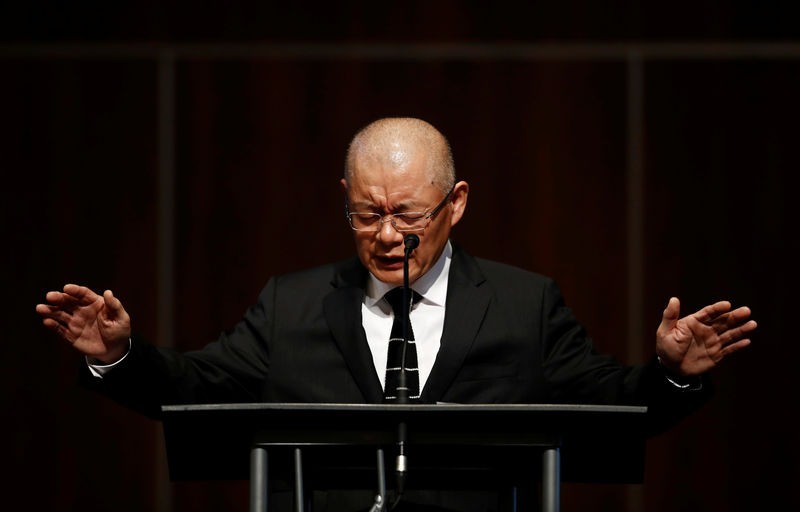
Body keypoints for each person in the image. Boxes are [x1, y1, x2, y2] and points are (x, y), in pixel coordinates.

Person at [36, 117, 756, 509]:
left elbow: (611, 403)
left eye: (407, 214)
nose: (386, 235)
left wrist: (671, 373)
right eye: (365, 213)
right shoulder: (295, 303)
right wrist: (118, 356)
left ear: (457, 203)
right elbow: (194, 388)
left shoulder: (521, 304)